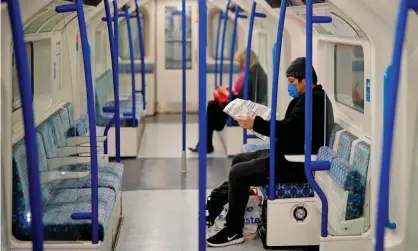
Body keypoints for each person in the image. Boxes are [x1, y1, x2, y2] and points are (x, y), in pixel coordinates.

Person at [206, 57, 335, 247]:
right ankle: (226, 207)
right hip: (288, 154)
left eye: (292, 82)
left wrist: (255, 123)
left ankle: (233, 230)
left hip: (295, 163)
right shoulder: (308, 99)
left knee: (238, 172)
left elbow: (288, 128)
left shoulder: (312, 101)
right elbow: (293, 130)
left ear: (305, 80)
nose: (290, 86)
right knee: (241, 159)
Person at [188, 48, 268, 153]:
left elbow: (244, 99)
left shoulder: (252, 75)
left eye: (240, 63)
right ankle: (205, 144)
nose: (239, 65)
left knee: (212, 107)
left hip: (249, 110)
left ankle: (206, 144)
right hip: (250, 106)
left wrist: (226, 93)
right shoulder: (256, 71)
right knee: (212, 106)